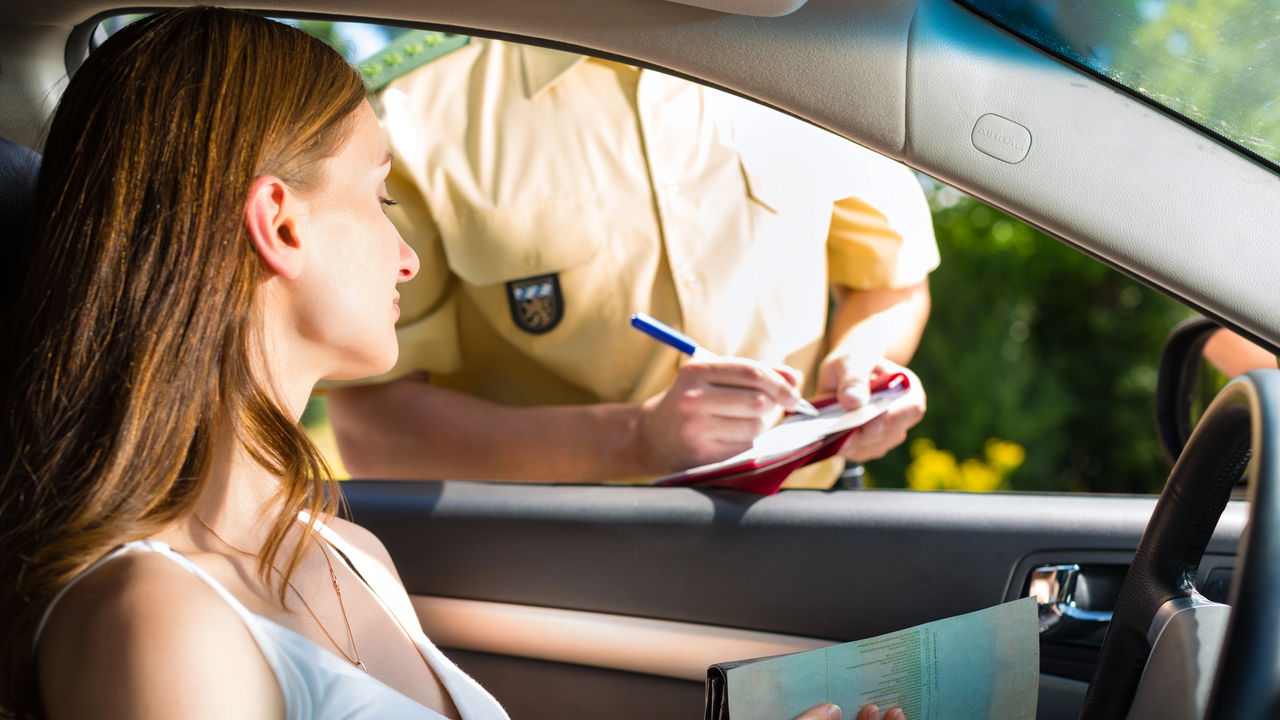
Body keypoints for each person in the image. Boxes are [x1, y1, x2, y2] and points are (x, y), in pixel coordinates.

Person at [0, 9, 903, 720]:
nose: (409, 257)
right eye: (380, 196)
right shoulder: (160, 628)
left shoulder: (348, 554)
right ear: (280, 223)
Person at [326, 38, 939, 488]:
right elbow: (374, 431)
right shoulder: (413, 112)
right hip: (560, 578)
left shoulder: (818, 74)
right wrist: (636, 439)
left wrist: (858, 369)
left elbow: (892, 284)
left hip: (810, 531)